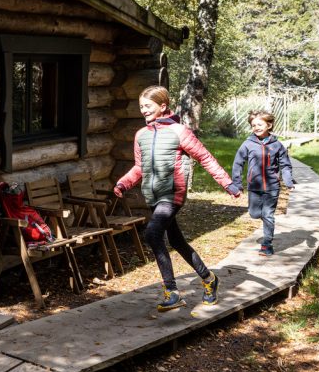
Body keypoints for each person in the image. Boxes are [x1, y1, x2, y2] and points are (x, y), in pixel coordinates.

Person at [113, 86, 242, 311]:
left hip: (172, 194)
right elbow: (139, 167)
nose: (143, 110)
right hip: (153, 197)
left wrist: (227, 183)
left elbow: (205, 158)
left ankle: (171, 291)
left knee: (152, 234)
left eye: (148, 106)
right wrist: (124, 183)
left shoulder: (179, 131)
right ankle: (210, 279)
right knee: (176, 241)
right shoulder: (141, 135)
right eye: (141, 106)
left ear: (163, 106)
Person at [230, 110, 295, 257]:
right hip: (254, 186)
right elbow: (238, 163)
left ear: (269, 125)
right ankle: (263, 222)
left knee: (268, 214)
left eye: (260, 124)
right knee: (254, 214)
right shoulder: (248, 144)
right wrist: (237, 183)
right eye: (253, 125)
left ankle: (267, 244)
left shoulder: (277, 145)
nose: (256, 127)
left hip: (272, 187)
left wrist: (288, 181)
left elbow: (285, 165)